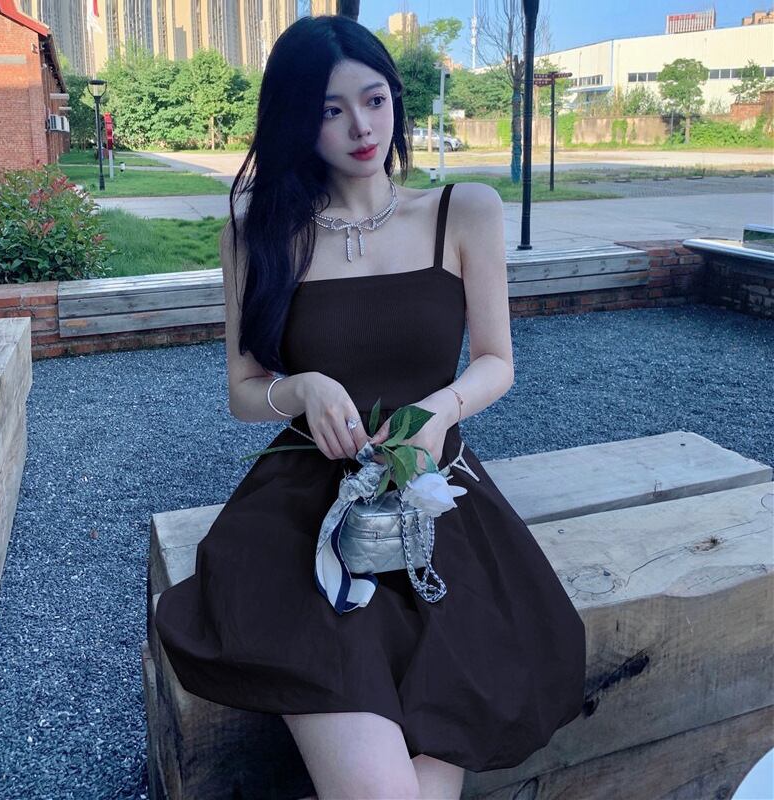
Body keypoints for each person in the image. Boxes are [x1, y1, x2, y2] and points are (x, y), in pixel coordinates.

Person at [154, 14, 587, 800]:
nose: (361, 127)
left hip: (435, 494)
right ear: (296, 119)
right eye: (330, 109)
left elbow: (496, 362)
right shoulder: (258, 235)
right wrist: (301, 387)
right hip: (301, 513)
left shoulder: (464, 210)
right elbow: (244, 391)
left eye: (375, 99)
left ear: (396, 101)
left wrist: (436, 414)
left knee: (447, 721)